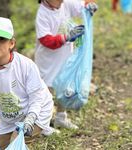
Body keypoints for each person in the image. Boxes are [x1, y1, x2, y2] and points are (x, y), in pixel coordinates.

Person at [0, 16, 54, 150]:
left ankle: (42, 127)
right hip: (11, 119)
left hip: (37, 111)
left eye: (1, 39)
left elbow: (36, 97)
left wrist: (31, 118)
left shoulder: (26, 65)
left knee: (16, 141)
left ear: (12, 43)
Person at [35, 0, 98, 133]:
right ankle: (42, 123)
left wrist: (90, 6)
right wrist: (66, 37)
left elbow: (83, 5)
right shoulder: (42, 13)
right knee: (47, 90)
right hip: (48, 60)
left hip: (65, 57)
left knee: (63, 87)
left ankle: (60, 117)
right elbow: (45, 39)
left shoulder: (66, 4)